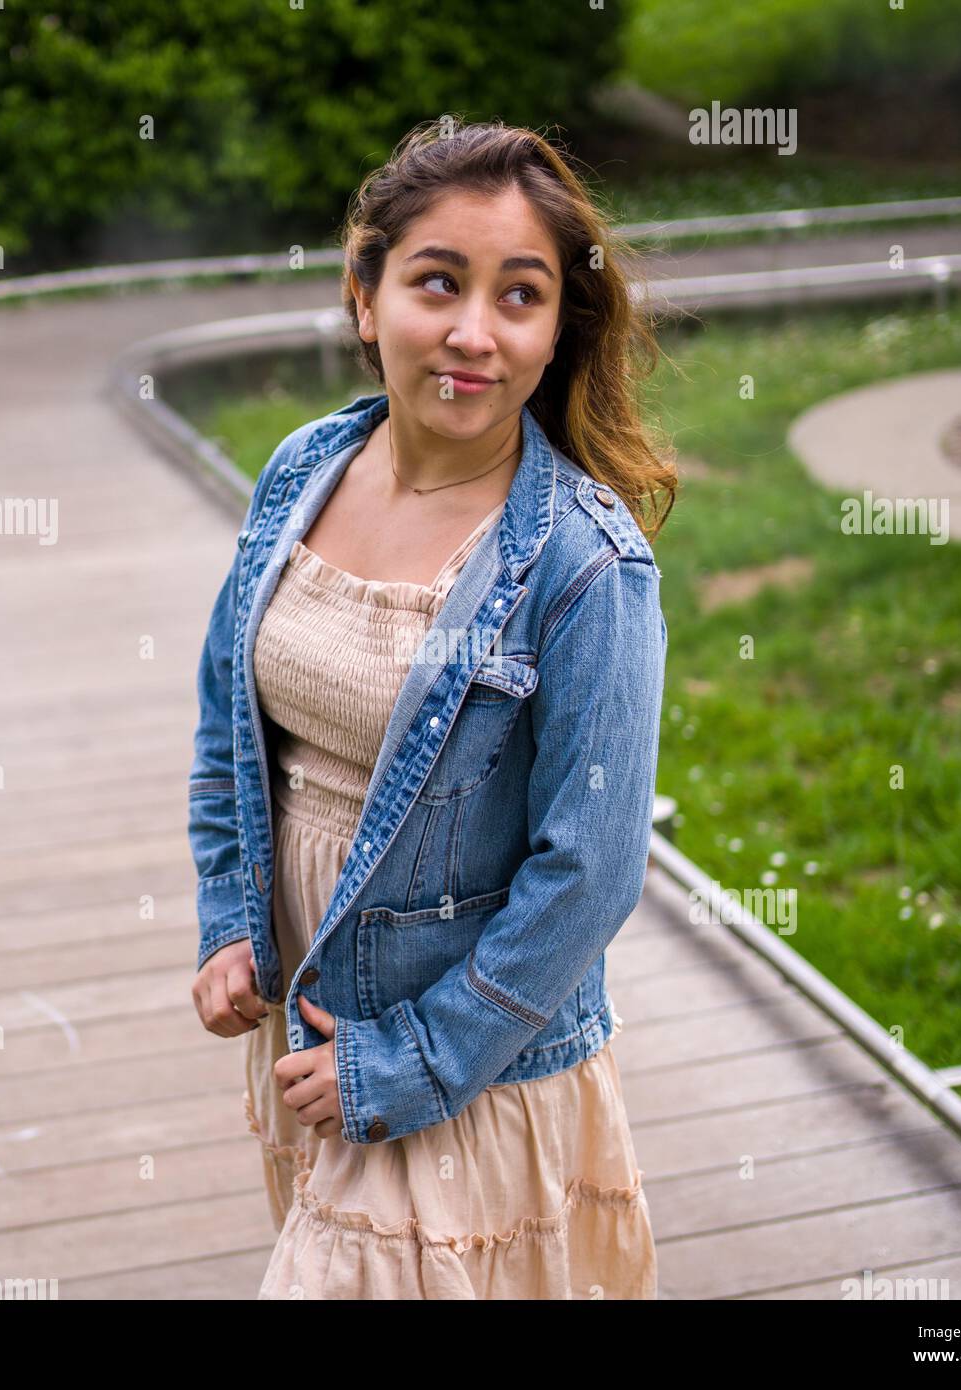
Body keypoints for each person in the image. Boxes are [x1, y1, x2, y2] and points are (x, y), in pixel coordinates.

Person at [189, 117, 677, 1299]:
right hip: (305, 1018)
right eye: (436, 283)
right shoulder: (306, 467)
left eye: (520, 296)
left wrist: (416, 1055)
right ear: (366, 297)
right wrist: (225, 915)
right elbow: (228, 719)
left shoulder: (581, 567)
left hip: (466, 1058)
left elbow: (592, 870)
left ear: (557, 328)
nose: (473, 333)